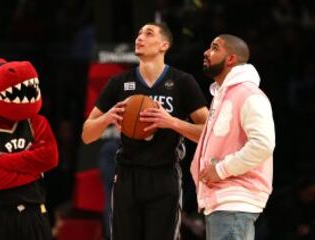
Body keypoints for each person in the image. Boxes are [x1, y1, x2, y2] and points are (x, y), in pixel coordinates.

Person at [82, 22, 208, 240]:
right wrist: (108, 116)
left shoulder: (182, 82)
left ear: (164, 45)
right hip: (127, 175)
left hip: (164, 174)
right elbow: (87, 134)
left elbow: (209, 134)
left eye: (148, 34)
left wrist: (171, 122)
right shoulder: (119, 82)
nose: (139, 37)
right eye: (138, 33)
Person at [190, 34, 276, 240]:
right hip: (222, 201)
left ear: (230, 59)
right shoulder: (224, 96)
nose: (206, 52)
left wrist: (220, 169)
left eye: (214, 48)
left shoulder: (248, 94)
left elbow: (263, 144)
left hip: (235, 200)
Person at [0, 58, 59, 240]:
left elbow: (50, 158)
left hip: (34, 211)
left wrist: (4, 161)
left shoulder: (36, 122)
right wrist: (33, 171)